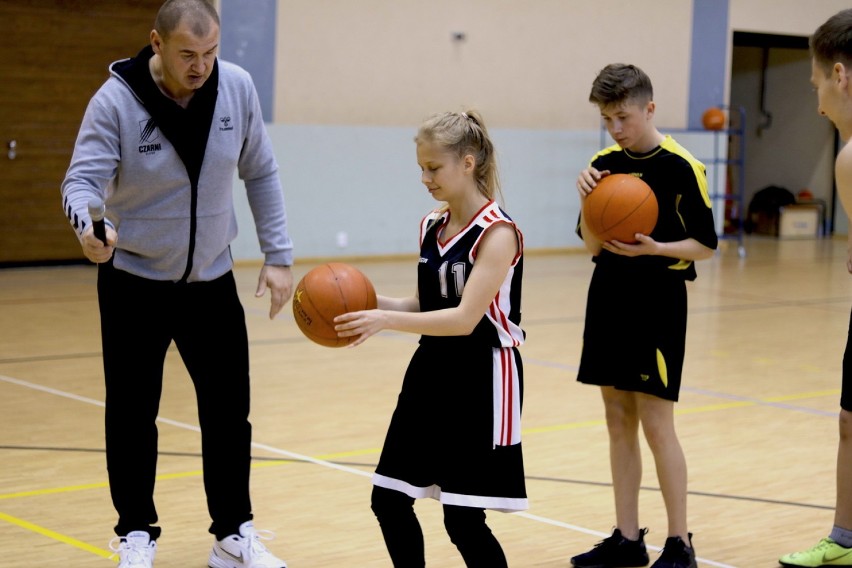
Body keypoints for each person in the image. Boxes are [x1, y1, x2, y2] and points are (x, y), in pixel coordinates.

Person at [59, 1, 292, 567]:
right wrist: (90, 228)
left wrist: (278, 254)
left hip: (211, 280)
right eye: (188, 54)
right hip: (133, 281)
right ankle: (136, 533)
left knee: (228, 412)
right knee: (133, 413)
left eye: (211, 53)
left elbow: (259, 169)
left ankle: (233, 534)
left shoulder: (235, 87)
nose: (201, 66)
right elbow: (81, 181)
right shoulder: (115, 100)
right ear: (156, 44)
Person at [333, 109, 527, 567]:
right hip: (432, 368)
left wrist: (384, 321)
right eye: (420, 167)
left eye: (433, 167)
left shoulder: (498, 234)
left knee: (462, 519)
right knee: (389, 499)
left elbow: (463, 319)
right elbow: (424, 304)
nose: (425, 177)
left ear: (468, 162)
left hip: (482, 377)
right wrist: (356, 301)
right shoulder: (431, 226)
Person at [570, 63, 718, 568]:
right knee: (616, 420)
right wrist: (587, 198)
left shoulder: (681, 166)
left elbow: (706, 246)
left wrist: (655, 249)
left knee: (657, 424)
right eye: (608, 118)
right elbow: (591, 242)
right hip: (608, 297)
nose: (615, 128)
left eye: (624, 117)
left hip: (657, 303)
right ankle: (628, 540)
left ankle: (680, 543)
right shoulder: (602, 164)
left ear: (649, 108)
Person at [779, 9, 852, 568]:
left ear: (841, 76)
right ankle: (844, 538)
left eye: (817, 83)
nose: (817, 97)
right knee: (849, 423)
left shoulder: (849, 158)